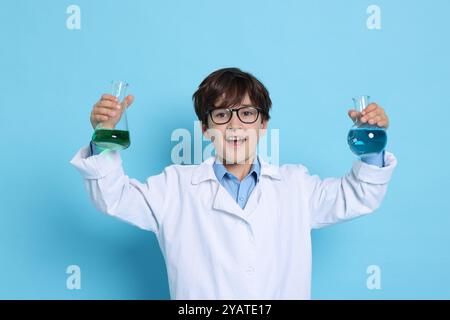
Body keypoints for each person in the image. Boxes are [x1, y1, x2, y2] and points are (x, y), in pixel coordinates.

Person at [70, 67, 397, 299]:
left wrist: (374, 145)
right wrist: (104, 138)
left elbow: (359, 194)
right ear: (205, 129)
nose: (235, 124)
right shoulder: (174, 188)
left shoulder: (296, 185)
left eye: (247, 113)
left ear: (264, 124)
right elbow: (112, 197)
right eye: (222, 115)